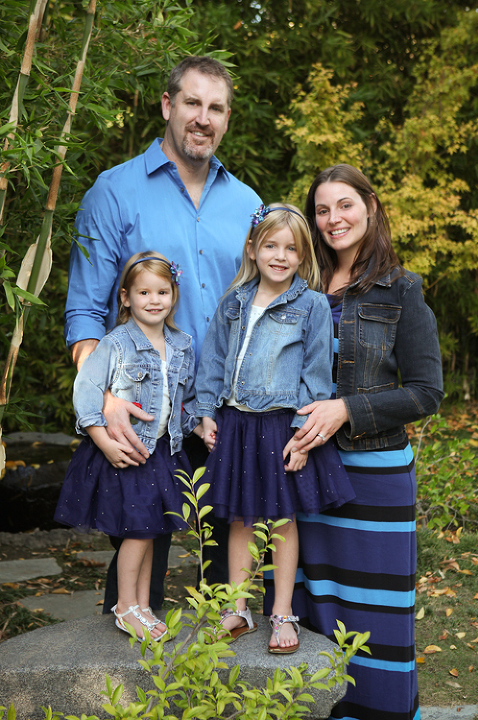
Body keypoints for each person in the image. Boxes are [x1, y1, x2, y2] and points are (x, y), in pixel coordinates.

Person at [63, 56, 261, 613]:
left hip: (226, 409)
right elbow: (85, 313)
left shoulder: (248, 205)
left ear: (227, 118)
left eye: (216, 108)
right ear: (168, 105)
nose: (203, 118)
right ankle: (125, 657)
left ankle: (227, 658)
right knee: (140, 549)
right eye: (193, 103)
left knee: (229, 567)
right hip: (144, 410)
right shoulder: (114, 191)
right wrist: (104, 401)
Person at [273, 166, 444, 718]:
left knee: (375, 616)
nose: (333, 219)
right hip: (306, 473)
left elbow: (426, 392)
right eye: (321, 210)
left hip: (373, 474)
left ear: (370, 205)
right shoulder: (295, 285)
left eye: (344, 205)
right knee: (312, 605)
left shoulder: (401, 289)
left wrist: (346, 409)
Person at [195, 204, 355, 654]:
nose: (280, 256)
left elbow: (317, 376)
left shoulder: (312, 305)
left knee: (282, 520)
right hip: (236, 425)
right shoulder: (233, 302)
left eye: (291, 248)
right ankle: (237, 607)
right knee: (241, 519)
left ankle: (282, 611)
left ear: (303, 256)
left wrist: (302, 436)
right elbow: (212, 363)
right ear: (252, 249)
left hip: (282, 426)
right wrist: (205, 414)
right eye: (270, 245)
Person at [55, 251, 199, 641]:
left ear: (173, 295)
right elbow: (86, 391)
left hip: (163, 452)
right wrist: (103, 442)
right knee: (138, 532)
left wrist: (201, 425)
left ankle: (142, 605)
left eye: (162, 292)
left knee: (150, 531)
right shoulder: (116, 343)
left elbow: (184, 399)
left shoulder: (181, 344)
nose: (154, 300)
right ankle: (124, 606)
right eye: (144, 293)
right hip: (128, 453)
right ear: (126, 297)